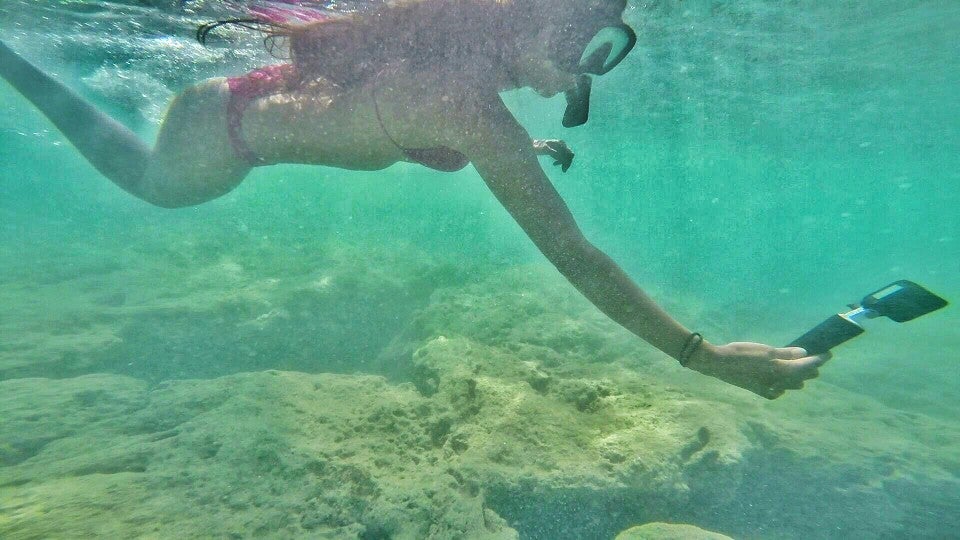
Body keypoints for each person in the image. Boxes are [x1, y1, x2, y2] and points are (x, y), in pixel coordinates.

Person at [0, 0, 829, 399]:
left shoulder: (468, 85)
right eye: (583, 43)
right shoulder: (469, 104)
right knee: (148, 186)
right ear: (535, 21)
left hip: (229, 105)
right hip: (220, 140)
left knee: (142, 169)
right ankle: (17, 67)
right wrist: (703, 356)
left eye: (607, 51)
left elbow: (417, 115)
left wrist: (525, 146)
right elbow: (572, 249)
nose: (584, 68)